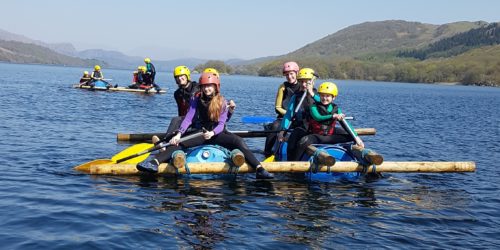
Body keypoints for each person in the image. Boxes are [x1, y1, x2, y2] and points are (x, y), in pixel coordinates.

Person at [137, 72, 274, 179]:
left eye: (210, 85)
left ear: (215, 86)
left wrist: (213, 133)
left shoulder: (221, 101)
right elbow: (188, 118)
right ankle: (154, 163)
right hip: (200, 132)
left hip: (217, 133)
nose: (207, 88)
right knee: (178, 144)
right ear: (201, 87)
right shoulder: (196, 98)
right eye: (204, 86)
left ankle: (259, 169)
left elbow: (221, 123)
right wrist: (179, 134)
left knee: (238, 141)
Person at [291, 82, 365, 161]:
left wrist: (357, 138)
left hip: (329, 136)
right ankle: (295, 164)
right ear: (319, 96)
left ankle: (358, 159)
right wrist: (333, 116)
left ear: (334, 97)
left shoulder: (336, 109)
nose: (324, 98)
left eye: (327, 96)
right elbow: (318, 117)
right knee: (303, 141)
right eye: (322, 95)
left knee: (351, 136)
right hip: (317, 136)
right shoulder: (313, 106)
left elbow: (345, 124)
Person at [277, 68, 318, 161]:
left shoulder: (319, 96)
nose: (304, 85)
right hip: (303, 128)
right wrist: (282, 131)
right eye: (301, 82)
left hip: (317, 129)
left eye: (307, 82)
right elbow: (288, 115)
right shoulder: (296, 97)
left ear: (312, 82)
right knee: (295, 134)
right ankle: (291, 162)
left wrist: (311, 94)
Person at [264, 61, 301, 157]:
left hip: (298, 119)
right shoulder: (283, 87)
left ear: (297, 73)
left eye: (291, 74)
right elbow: (278, 107)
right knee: (275, 127)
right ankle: (267, 152)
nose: (289, 76)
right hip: (283, 118)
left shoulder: (302, 87)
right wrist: (289, 114)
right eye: (287, 74)